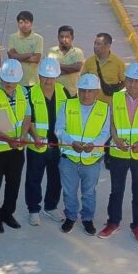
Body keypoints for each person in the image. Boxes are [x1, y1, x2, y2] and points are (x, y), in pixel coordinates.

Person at [99, 63, 138, 243]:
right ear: (125, 80)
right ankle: (113, 222)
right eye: (130, 80)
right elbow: (112, 123)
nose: (133, 84)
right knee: (116, 190)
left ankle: (137, 226)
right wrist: (115, 138)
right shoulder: (116, 98)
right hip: (119, 152)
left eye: (137, 81)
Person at [56, 74, 111, 236]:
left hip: (92, 160)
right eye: (83, 91)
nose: (86, 95)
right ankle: (71, 217)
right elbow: (59, 128)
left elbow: (105, 132)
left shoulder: (104, 108)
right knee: (69, 192)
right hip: (69, 159)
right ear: (78, 90)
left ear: (97, 92)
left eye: (90, 91)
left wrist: (94, 146)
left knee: (88, 193)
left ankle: (87, 219)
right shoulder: (67, 105)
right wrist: (71, 142)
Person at [0, 59, 31, 233]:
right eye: (6, 80)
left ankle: (7, 213)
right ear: (0, 77)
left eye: (13, 80)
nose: (10, 84)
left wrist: (23, 136)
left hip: (17, 149)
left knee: (14, 184)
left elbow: (27, 116)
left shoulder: (23, 92)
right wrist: (8, 139)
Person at [26, 58, 68, 226]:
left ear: (57, 77)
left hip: (57, 145)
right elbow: (27, 119)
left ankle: (51, 206)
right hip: (37, 144)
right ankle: (33, 209)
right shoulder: (30, 93)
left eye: (51, 77)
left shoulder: (64, 91)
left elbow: (72, 114)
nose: (48, 80)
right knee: (34, 178)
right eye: (44, 76)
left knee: (55, 178)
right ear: (39, 75)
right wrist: (35, 137)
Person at [81, 33, 126, 103]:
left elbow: (126, 81)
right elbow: (82, 80)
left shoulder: (118, 62)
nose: (95, 46)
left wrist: (114, 90)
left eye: (98, 44)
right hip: (92, 104)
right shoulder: (89, 61)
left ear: (108, 46)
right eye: (94, 43)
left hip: (109, 105)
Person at [7, 11, 44, 87]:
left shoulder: (38, 38)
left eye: (27, 22)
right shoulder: (12, 38)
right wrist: (29, 54)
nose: (24, 25)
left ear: (31, 23)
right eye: (21, 22)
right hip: (16, 81)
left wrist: (17, 56)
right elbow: (11, 57)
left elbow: (36, 59)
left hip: (33, 82)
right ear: (18, 23)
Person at [47, 25, 84, 94]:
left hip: (71, 93)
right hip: (54, 94)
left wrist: (57, 66)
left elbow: (77, 68)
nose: (64, 39)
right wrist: (70, 69)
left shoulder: (78, 52)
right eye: (62, 37)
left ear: (72, 38)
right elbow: (48, 72)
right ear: (58, 37)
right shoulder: (51, 51)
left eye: (67, 37)